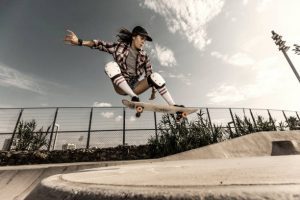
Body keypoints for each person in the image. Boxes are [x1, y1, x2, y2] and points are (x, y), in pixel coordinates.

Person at [64, 26, 180, 107]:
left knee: (156, 76)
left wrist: (154, 91)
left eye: (145, 40)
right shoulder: (118, 47)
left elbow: (150, 75)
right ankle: (133, 97)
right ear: (134, 37)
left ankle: (174, 106)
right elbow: (99, 44)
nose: (143, 42)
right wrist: (79, 41)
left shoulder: (145, 56)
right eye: (142, 38)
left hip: (136, 85)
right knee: (110, 65)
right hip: (120, 85)